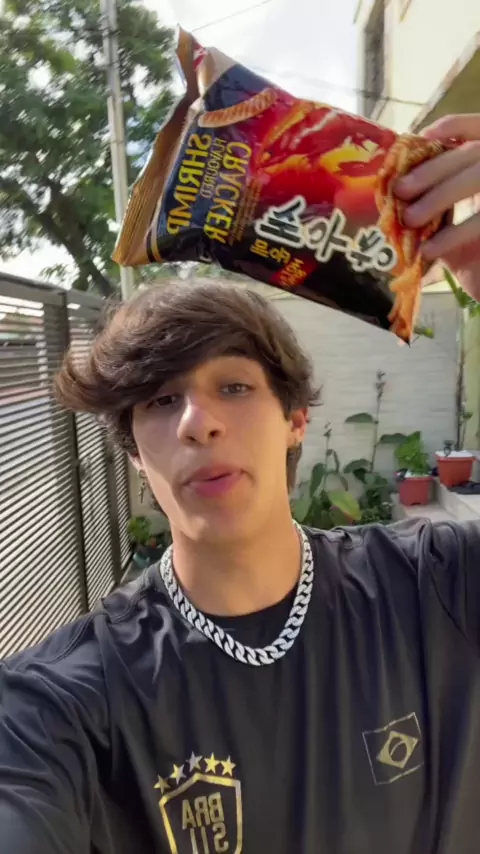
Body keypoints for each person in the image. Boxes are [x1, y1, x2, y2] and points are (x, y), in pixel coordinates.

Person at [1, 113, 480, 854]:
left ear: (295, 419)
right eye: (161, 400)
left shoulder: (436, 589)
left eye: (233, 386)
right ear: (135, 453)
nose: (199, 422)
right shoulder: (68, 702)